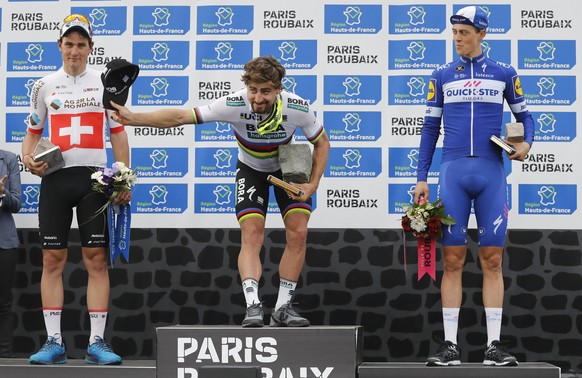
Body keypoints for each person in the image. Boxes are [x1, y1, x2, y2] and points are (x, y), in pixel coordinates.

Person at [111, 55, 330, 328]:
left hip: (288, 169)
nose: (258, 98)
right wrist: (135, 118)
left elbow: (322, 143)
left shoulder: (298, 107)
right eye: (253, 90)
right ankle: (253, 306)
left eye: (266, 91)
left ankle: (283, 307)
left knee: (298, 232)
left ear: (278, 89)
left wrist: (313, 183)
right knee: (252, 234)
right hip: (251, 169)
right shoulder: (234, 103)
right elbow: (182, 116)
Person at [413, 6, 533, 367]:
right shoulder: (441, 75)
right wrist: (421, 177)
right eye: (454, 33)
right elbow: (430, 129)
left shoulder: (504, 73)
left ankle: (494, 346)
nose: (457, 40)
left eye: (464, 33)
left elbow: (525, 116)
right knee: (452, 259)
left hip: (491, 173)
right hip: (452, 173)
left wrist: (527, 143)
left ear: (482, 34)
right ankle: (450, 345)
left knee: (492, 260)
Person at [22, 14, 131, 365]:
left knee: (96, 260)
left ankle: (97, 343)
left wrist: (123, 177)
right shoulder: (43, 85)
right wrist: (27, 159)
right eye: (68, 43)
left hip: (94, 181)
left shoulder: (105, 83)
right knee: (52, 259)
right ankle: (53, 342)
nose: (74, 50)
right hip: (56, 180)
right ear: (59, 46)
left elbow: (117, 134)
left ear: (90, 48)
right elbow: (33, 134)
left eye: (81, 44)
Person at [0, 149, 22, 357]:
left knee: (3, 303)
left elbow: (16, 204)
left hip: (3, 242)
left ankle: (4, 357)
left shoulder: (8, 159)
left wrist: (1, 193)